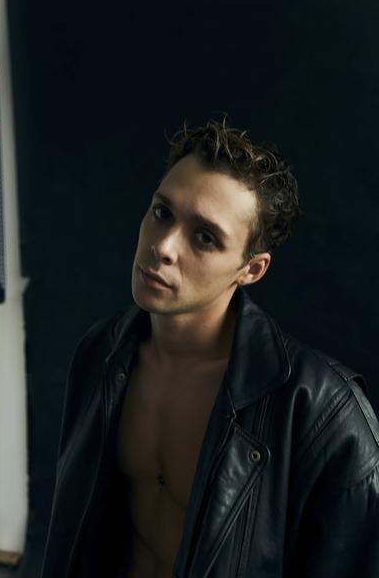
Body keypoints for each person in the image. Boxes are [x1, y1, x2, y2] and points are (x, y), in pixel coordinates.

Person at [40, 118, 379, 578]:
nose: (163, 247)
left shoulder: (324, 415)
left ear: (251, 270)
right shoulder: (101, 354)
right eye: (162, 212)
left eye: (205, 237)